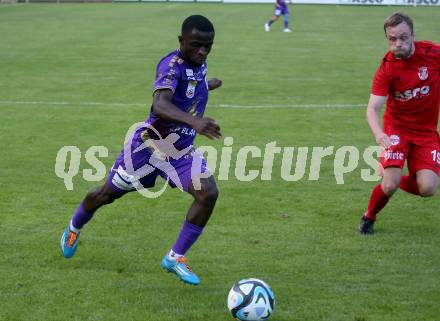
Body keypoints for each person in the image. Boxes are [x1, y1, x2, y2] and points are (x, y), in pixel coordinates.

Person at [60, 15, 223, 286]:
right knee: (104, 195)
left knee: (208, 193)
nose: (202, 51)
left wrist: (207, 85)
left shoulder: (198, 63)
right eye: (196, 45)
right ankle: (74, 227)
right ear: (181, 41)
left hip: (180, 150)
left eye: (208, 46)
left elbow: (190, 87)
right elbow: (161, 104)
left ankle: (175, 257)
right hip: (148, 150)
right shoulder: (171, 65)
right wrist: (196, 121)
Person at [359, 12, 440, 235]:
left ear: (413, 35)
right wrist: (378, 135)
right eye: (392, 39)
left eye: (403, 37)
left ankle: (388, 172)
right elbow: (372, 109)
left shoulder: (433, 54)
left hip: (426, 132)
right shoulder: (387, 68)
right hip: (397, 129)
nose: (398, 44)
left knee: (428, 188)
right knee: (389, 186)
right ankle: (369, 216)